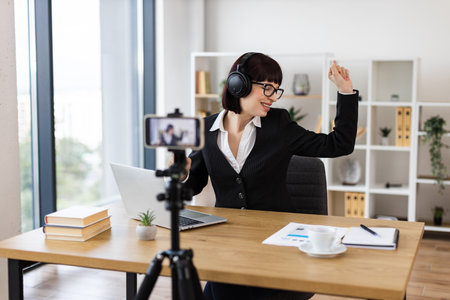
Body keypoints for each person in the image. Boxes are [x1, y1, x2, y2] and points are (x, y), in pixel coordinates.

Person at [183, 52, 358, 300]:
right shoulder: (206, 129)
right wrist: (183, 173)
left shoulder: (279, 125)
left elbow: (338, 144)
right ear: (238, 84)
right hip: (228, 243)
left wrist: (346, 91)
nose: (273, 97)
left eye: (276, 90)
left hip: (275, 243)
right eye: (267, 88)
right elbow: (192, 186)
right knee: (222, 285)